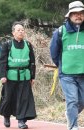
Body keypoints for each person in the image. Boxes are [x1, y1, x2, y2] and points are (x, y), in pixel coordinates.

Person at [50, 1, 84, 130]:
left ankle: (70, 114)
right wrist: (61, 65)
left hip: (83, 73)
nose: (78, 16)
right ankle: (73, 126)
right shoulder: (60, 31)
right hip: (67, 74)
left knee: (82, 101)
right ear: (69, 15)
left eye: (81, 13)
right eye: (75, 13)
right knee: (72, 101)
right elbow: (54, 52)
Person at [0, 21, 36, 129]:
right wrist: (2, 76)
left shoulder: (28, 45)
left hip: (25, 76)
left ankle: (21, 121)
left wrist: (33, 76)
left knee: (23, 98)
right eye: (18, 30)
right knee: (8, 98)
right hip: (10, 76)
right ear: (13, 33)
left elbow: (32, 62)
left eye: (22, 30)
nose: (21, 31)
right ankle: (6, 116)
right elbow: (2, 61)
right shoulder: (7, 45)